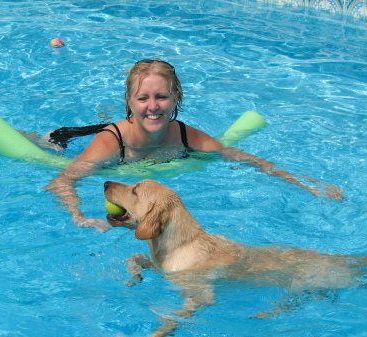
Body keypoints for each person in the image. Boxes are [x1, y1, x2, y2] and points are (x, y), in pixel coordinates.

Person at [43, 59, 344, 232]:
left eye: (161, 97)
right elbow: (62, 181)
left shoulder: (187, 137)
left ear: (176, 99)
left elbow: (251, 160)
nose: (153, 107)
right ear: (129, 102)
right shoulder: (111, 142)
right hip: (71, 140)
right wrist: (79, 217)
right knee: (52, 144)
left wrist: (310, 185)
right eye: (143, 99)